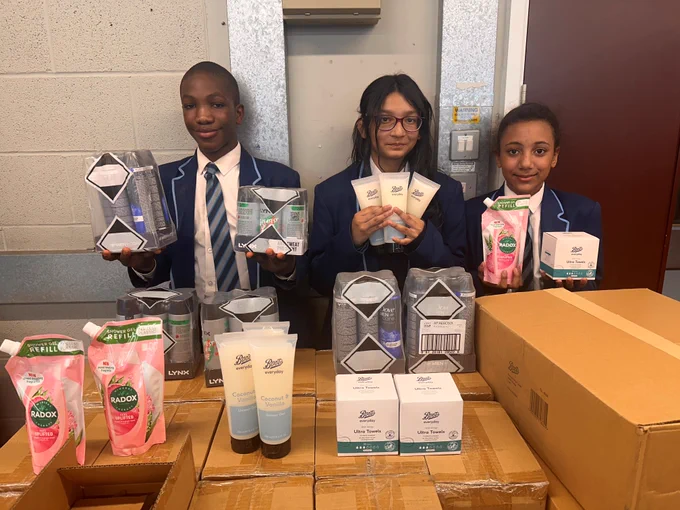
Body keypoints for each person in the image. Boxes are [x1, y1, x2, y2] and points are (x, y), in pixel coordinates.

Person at [102, 61, 300, 296]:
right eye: (190, 106)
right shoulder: (163, 181)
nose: (202, 117)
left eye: (217, 104)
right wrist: (144, 265)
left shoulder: (278, 179)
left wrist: (285, 269)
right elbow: (158, 270)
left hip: (258, 314)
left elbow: (298, 272)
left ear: (238, 114)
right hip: (191, 315)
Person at [309, 74, 466, 345]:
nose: (398, 132)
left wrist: (424, 241)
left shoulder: (445, 190)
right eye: (385, 119)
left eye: (410, 120)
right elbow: (319, 282)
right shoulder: (332, 193)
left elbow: (461, 275)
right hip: (353, 334)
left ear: (420, 128)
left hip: (425, 332)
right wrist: (351, 239)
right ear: (363, 127)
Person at [465, 102, 603, 295]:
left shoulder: (582, 212)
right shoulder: (472, 213)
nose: (526, 163)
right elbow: (458, 281)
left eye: (539, 151)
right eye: (513, 151)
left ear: (554, 157)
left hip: (557, 312)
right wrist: (484, 283)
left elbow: (594, 283)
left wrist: (577, 286)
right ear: (498, 157)